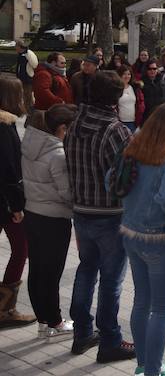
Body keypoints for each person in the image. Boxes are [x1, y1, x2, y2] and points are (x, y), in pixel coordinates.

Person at [65, 71, 135, 362]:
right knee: (111, 279)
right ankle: (110, 340)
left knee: (86, 270)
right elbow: (126, 178)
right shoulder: (115, 130)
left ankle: (82, 332)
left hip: (81, 210)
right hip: (110, 214)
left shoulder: (74, 122)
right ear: (116, 98)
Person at [120, 103, 165, 376]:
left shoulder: (135, 146)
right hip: (160, 237)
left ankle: (143, 364)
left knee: (142, 301)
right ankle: (152, 369)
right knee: (162, 310)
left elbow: (110, 181)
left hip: (130, 231)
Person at [21, 104, 76, 337]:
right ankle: (55, 321)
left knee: (37, 269)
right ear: (62, 128)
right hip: (54, 219)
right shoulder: (58, 154)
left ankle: (43, 320)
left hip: (32, 214)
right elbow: (66, 193)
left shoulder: (30, 145)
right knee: (52, 272)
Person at [0, 77, 35, 330]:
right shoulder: (5, 126)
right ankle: (5, 309)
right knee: (21, 248)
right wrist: (17, 206)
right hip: (5, 203)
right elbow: (9, 170)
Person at [115, 65, 144, 133]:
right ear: (119, 75)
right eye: (124, 74)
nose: (127, 76)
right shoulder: (116, 88)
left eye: (129, 74)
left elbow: (140, 103)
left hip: (133, 122)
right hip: (120, 123)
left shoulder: (135, 88)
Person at [14, 39, 38, 112]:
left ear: (19, 46)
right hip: (20, 77)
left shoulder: (29, 54)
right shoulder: (20, 54)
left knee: (28, 95)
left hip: (27, 78)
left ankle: (29, 110)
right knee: (23, 94)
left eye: (16, 46)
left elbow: (35, 64)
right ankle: (25, 108)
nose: (15, 48)